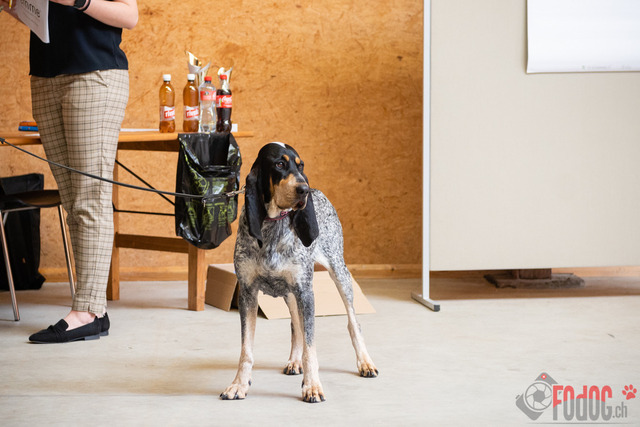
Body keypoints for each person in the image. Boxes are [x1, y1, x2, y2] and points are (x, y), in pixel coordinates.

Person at [0, 0, 138, 343]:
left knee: (90, 197)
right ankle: (94, 311)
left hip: (94, 74)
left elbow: (130, 16)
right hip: (45, 77)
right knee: (73, 201)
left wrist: (79, 1)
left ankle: (88, 311)